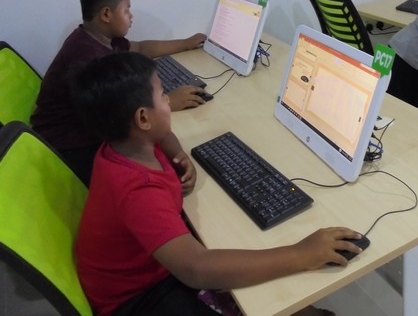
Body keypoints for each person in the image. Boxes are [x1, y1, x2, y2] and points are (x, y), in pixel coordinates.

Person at [72, 51, 362, 316]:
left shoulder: (125, 144)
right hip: (137, 298)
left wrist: (179, 154)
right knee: (256, 277)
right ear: (143, 118)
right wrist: (301, 254)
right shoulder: (138, 191)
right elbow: (195, 269)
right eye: (163, 95)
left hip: (148, 267)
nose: (170, 101)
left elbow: (163, 135)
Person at [31, 0, 206, 184]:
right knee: (157, 167)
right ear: (106, 14)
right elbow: (129, 116)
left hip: (79, 129)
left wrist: (186, 43)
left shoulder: (99, 38)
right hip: (68, 147)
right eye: (126, 10)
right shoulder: (89, 57)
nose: (131, 16)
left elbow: (140, 48)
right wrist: (170, 102)